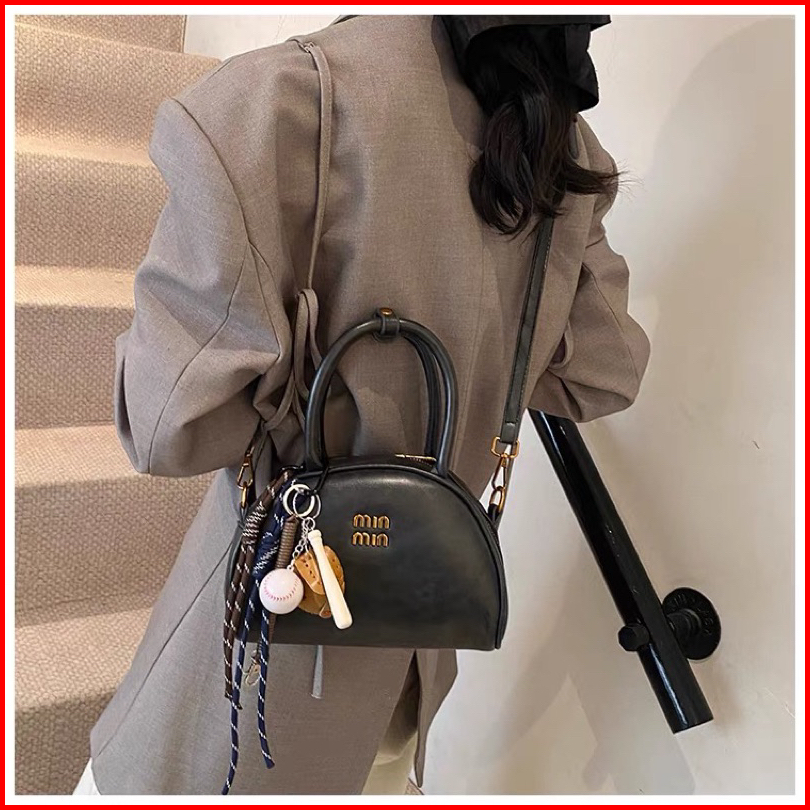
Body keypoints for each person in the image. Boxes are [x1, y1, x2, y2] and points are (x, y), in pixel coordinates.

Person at [77, 14, 649, 795]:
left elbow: (165, 429)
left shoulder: (277, 102)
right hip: (410, 661)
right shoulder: (564, 146)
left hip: (260, 677)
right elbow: (604, 372)